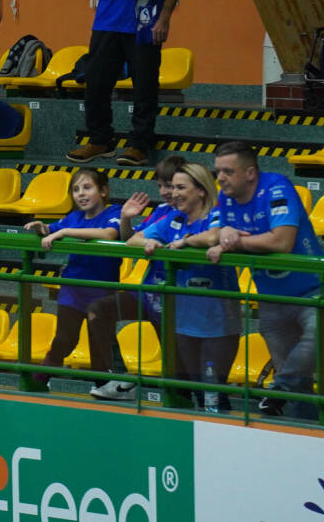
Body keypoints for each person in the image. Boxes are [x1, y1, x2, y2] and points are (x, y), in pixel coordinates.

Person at [192, 140, 324, 419]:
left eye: (228, 171)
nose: (220, 178)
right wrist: (226, 233)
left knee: (315, 342)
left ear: (250, 173)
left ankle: (278, 388)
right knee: (299, 381)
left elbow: (281, 242)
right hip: (271, 297)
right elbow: (219, 233)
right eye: (218, 171)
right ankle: (306, 427)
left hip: (314, 289)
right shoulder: (226, 196)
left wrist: (236, 242)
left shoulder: (277, 187)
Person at [93, 160, 240, 407]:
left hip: (217, 323)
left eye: (180, 188)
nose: (173, 193)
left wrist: (185, 242)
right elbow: (133, 241)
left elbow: (214, 237)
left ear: (201, 190)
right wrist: (151, 243)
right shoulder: (174, 219)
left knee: (212, 394)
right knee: (191, 388)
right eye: (171, 187)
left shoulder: (219, 213)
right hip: (183, 321)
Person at [66, 0, 184, 168]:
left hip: (146, 22)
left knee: (145, 87)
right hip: (108, 20)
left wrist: (164, 18)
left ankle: (139, 144)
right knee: (96, 83)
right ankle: (100, 140)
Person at [24, 167, 124, 392]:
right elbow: (51, 229)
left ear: (104, 191)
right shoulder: (74, 217)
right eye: (76, 189)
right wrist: (41, 228)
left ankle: (104, 386)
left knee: (100, 341)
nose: (81, 194)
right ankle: (40, 379)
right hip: (73, 289)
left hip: (101, 292)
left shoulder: (113, 212)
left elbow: (109, 234)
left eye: (87, 187)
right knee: (64, 339)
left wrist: (65, 232)